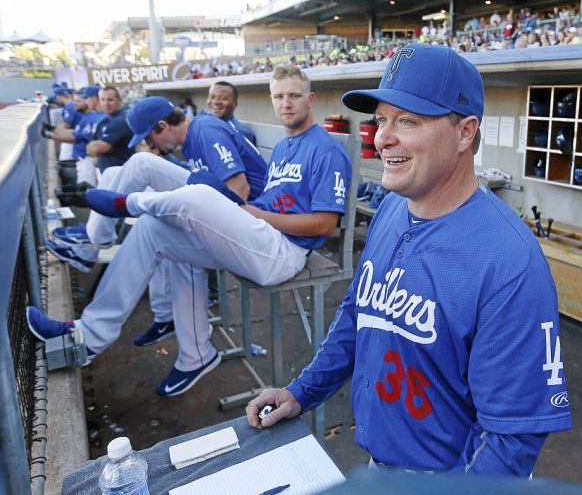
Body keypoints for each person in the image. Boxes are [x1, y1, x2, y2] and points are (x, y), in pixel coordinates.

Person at [244, 44, 571, 475]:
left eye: (407, 120)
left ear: (464, 132)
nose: (382, 137)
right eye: (381, 119)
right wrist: (302, 391)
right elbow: (358, 314)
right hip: (381, 464)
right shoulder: (393, 208)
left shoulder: (509, 261)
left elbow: (513, 438)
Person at [27, 64, 351, 397]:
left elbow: (325, 225)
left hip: (284, 253)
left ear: (310, 99)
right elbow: (266, 202)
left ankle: (129, 204)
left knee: (195, 196)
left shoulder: (326, 150)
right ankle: (88, 337)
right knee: (154, 229)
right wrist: (252, 212)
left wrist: (253, 213)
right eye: (279, 96)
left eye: (294, 96)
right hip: (258, 237)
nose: (286, 103)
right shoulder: (285, 147)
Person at [50, 85, 107, 187]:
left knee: (89, 192)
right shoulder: (90, 116)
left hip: (91, 160)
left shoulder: (101, 117)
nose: (85, 101)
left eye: (86, 98)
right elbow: (76, 134)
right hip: (86, 160)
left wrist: (49, 135)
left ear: (94, 98)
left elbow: (76, 137)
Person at [86, 86, 136, 172]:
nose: (106, 104)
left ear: (119, 100)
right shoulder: (104, 121)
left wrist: (99, 148)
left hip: (120, 172)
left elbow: (95, 149)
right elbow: (91, 151)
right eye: (103, 100)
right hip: (107, 172)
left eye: (110, 100)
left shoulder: (121, 120)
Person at [206, 81, 257, 146]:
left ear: (235, 104)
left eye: (223, 98)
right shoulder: (199, 125)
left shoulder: (240, 134)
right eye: (212, 97)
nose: (216, 102)